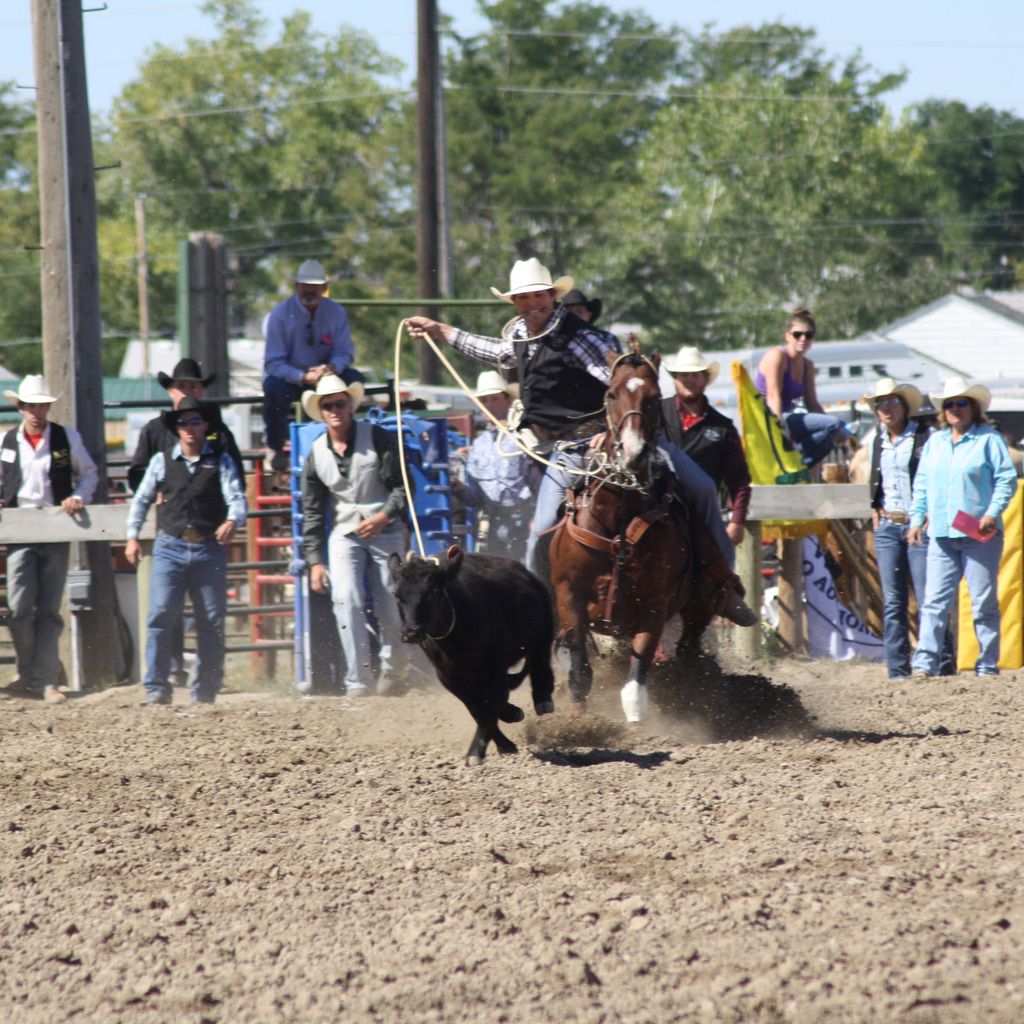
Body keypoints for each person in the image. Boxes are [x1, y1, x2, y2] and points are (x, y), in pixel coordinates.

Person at [406, 257, 754, 626]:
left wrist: (612, 426)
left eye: (538, 295)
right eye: (523, 298)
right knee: (540, 532)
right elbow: (493, 351)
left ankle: (723, 588)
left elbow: (625, 382)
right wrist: (440, 330)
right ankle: (534, 610)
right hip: (566, 451)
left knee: (699, 488)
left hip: (619, 440)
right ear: (515, 303)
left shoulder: (583, 338)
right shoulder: (521, 337)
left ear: (552, 296)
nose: (531, 303)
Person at [124, 397, 248, 705]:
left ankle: (204, 690)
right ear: (176, 428)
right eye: (184, 423)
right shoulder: (161, 460)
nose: (190, 428)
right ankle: (155, 687)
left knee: (211, 620)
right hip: (171, 544)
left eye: (195, 422)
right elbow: (140, 499)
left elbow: (237, 498)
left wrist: (233, 519)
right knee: (161, 615)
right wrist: (132, 536)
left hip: (208, 545)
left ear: (206, 426)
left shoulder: (221, 460)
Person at [299, 374, 408, 697]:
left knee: (392, 600)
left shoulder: (378, 437)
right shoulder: (316, 453)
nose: (334, 409)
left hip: (385, 528)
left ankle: (393, 669)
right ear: (320, 410)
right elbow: (313, 512)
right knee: (345, 599)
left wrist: (383, 516)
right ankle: (357, 682)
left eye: (340, 403)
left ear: (350, 406)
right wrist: (316, 562)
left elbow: (403, 488)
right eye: (328, 405)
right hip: (345, 533)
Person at [909, 378, 1017, 678]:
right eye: (949, 404)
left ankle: (986, 665)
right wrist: (916, 518)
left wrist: (993, 511)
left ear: (974, 407)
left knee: (983, 603)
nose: (955, 409)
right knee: (934, 602)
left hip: (979, 535)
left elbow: (1006, 480)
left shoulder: (989, 439)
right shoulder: (935, 442)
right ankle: (924, 664)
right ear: (943, 410)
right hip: (941, 533)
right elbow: (921, 485)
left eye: (961, 403)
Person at [1, 376, 98, 703]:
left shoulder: (66, 438)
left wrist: (77, 497)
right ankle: (32, 673)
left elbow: (88, 474)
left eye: (42, 404)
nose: (37, 410)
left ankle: (43, 679)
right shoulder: (6, 441)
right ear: (21, 408)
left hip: (55, 526)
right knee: (18, 606)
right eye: (31, 405)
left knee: (49, 608)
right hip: (20, 526)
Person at [868, 377, 953, 680]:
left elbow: (938, 476)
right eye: (881, 404)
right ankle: (898, 669)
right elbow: (875, 478)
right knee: (893, 601)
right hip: (889, 524)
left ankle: (942, 665)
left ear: (904, 407)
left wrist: (931, 511)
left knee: (929, 597)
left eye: (891, 402)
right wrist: (873, 505)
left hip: (919, 524)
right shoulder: (877, 440)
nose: (886, 408)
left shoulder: (925, 437)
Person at [262, 259, 366, 472]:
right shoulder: (280, 315)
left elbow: (345, 352)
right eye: (305, 285)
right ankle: (275, 448)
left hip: (325, 375)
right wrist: (301, 376)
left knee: (355, 380)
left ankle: (350, 437)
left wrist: (332, 368)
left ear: (324, 288)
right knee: (273, 389)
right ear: (296, 286)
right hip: (292, 377)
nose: (310, 290)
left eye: (315, 286)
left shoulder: (336, 312)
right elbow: (273, 362)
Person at [661, 346, 751, 548]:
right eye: (684, 375)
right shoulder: (655, 413)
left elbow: (738, 478)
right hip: (656, 515)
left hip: (701, 518)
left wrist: (737, 521)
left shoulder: (723, 427)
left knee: (720, 570)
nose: (690, 380)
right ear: (675, 379)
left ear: (705, 379)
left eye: (696, 375)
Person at [128, 358, 244, 491]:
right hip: (167, 506)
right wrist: (156, 495)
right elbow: (137, 475)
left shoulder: (218, 431)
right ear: (171, 391)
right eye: (181, 386)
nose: (187, 392)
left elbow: (236, 476)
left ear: (201, 391)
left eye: (193, 387)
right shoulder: (154, 430)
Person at [456, 371, 534, 561]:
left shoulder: (525, 436)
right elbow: (477, 497)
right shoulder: (479, 445)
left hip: (526, 521)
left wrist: (535, 520)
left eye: (494, 399)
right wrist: (460, 489)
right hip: (495, 522)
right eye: (484, 400)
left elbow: (538, 480)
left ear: (508, 401)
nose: (489, 405)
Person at [755, 308, 847, 468]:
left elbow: (812, 404)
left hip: (787, 417)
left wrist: (840, 431)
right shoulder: (777, 356)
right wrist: (779, 429)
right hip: (769, 417)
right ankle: (793, 463)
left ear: (813, 338)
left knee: (835, 429)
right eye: (797, 334)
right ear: (788, 336)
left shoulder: (808, 365)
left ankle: (800, 465)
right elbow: (772, 395)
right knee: (832, 424)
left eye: (808, 335)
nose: (803, 339)